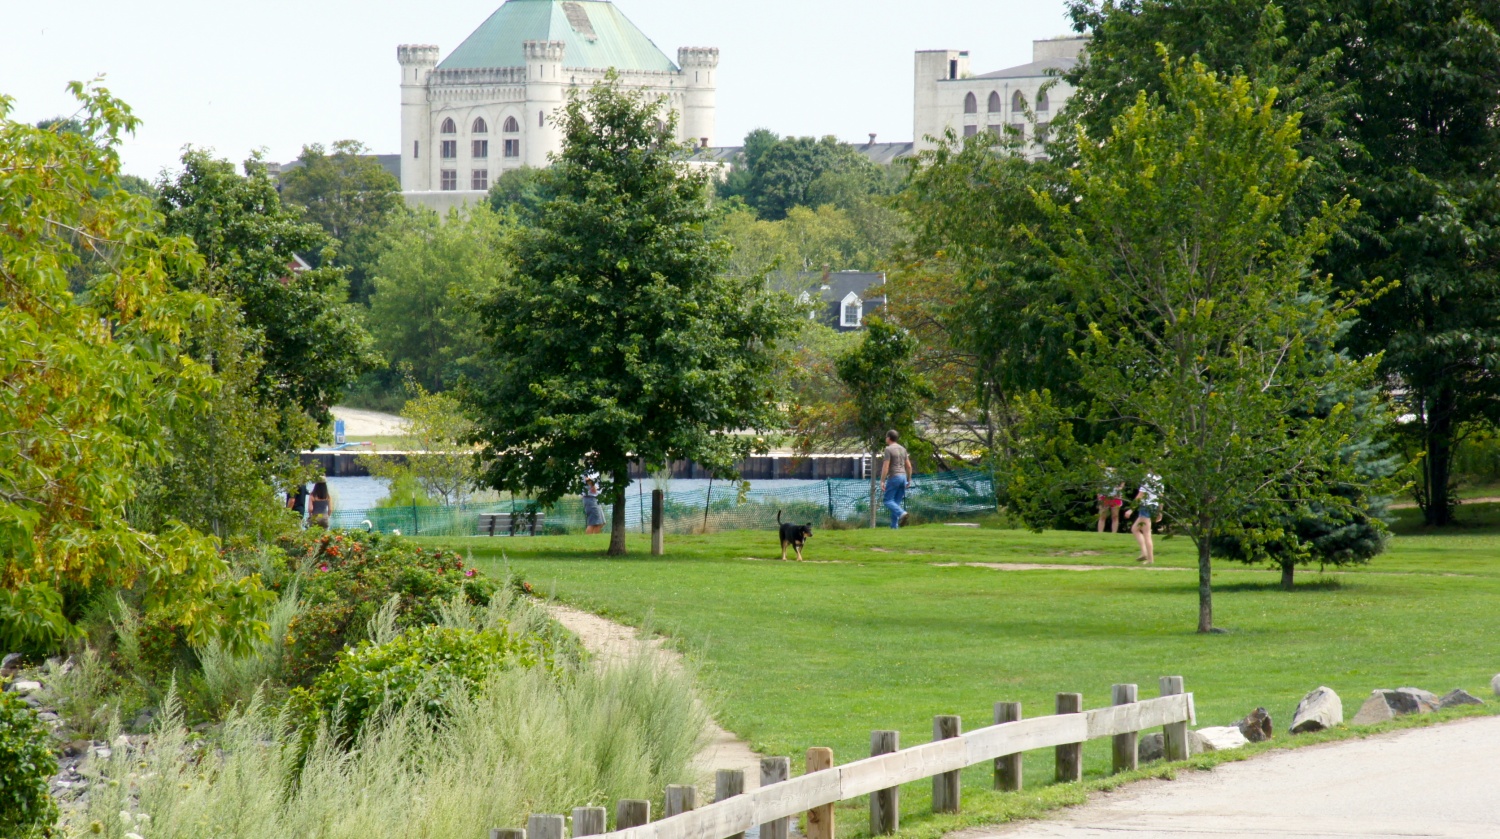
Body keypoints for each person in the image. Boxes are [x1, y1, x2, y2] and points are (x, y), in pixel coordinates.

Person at [879, 430, 913, 530]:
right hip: (903, 477)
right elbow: (909, 466)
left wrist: (882, 481)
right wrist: (909, 480)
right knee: (896, 503)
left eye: (886, 437)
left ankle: (902, 513)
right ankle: (894, 526)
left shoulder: (888, 449)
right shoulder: (903, 449)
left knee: (887, 500)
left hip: (894, 477)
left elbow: (885, 467)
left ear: (889, 438)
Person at [1125, 473, 1163, 564]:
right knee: (1135, 529)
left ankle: (1150, 559)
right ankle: (1144, 553)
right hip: (1154, 505)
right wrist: (1160, 511)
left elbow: (1140, 495)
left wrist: (1131, 509)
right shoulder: (1159, 477)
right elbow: (1161, 496)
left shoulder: (1147, 477)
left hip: (1146, 506)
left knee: (1147, 533)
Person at [1097, 467, 1125, 533]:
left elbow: (1123, 480)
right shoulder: (1102, 470)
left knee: (1115, 516)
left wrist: (1120, 488)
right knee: (1102, 516)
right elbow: (1098, 484)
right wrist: (1098, 496)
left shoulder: (1118, 470)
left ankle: (1114, 534)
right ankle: (1100, 533)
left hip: (1115, 496)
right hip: (1104, 495)